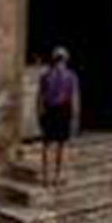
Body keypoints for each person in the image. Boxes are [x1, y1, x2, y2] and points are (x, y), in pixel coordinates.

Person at [36, 47, 80, 186]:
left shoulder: (46, 75)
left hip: (50, 110)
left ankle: (46, 176)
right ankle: (58, 175)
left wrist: (39, 113)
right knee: (62, 144)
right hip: (63, 109)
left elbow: (40, 97)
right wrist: (75, 115)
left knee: (47, 145)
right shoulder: (70, 76)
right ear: (65, 59)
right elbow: (74, 97)